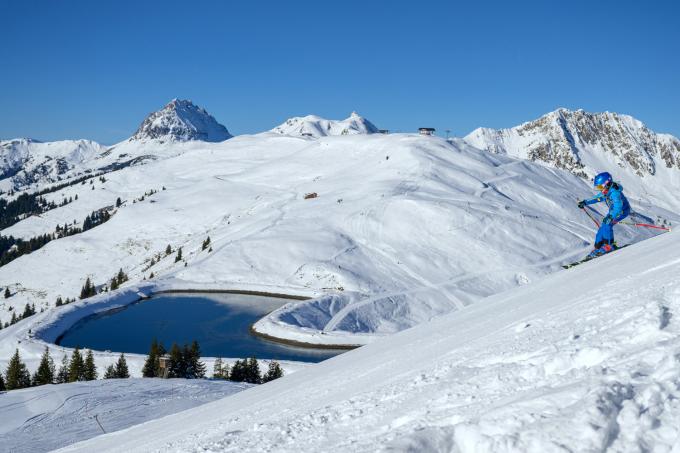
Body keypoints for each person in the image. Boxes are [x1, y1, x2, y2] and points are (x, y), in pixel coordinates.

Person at [578, 171, 630, 257]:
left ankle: (609, 246)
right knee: (603, 226)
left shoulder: (614, 193)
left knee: (607, 224)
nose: (600, 189)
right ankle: (598, 246)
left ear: (607, 183)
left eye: (600, 187)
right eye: (598, 187)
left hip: (621, 211)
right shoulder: (606, 191)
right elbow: (597, 198)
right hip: (613, 211)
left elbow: (618, 206)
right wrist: (585, 202)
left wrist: (610, 216)